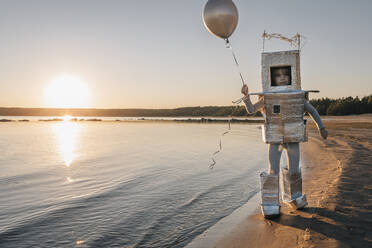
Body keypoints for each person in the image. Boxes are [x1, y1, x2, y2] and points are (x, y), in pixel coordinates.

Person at [241, 84, 328, 217]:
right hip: (276, 139)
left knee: (294, 168)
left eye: (285, 75)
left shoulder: (297, 98)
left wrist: (321, 127)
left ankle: (295, 197)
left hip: (292, 139)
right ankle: (271, 203)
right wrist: (246, 96)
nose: (281, 79)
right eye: (278, 75)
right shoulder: (267, 99)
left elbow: (312, 111)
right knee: (273, 170)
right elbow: (251, 109)